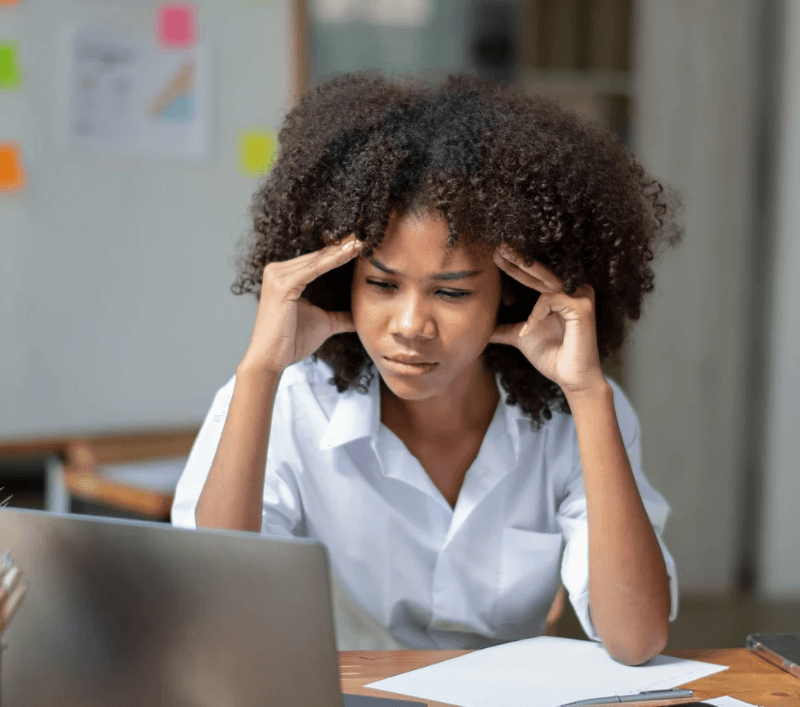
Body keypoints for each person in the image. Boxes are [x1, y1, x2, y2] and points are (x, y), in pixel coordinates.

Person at [172, 72, 684, 664]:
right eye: (383, 284)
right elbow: (219, 611)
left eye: (452, 293)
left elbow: (638, 638)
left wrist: (589, 393)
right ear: (344, 281)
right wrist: (259, 369)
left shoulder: (575, 415)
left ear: (512, 295)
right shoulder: (291, 402)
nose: (411, 324)